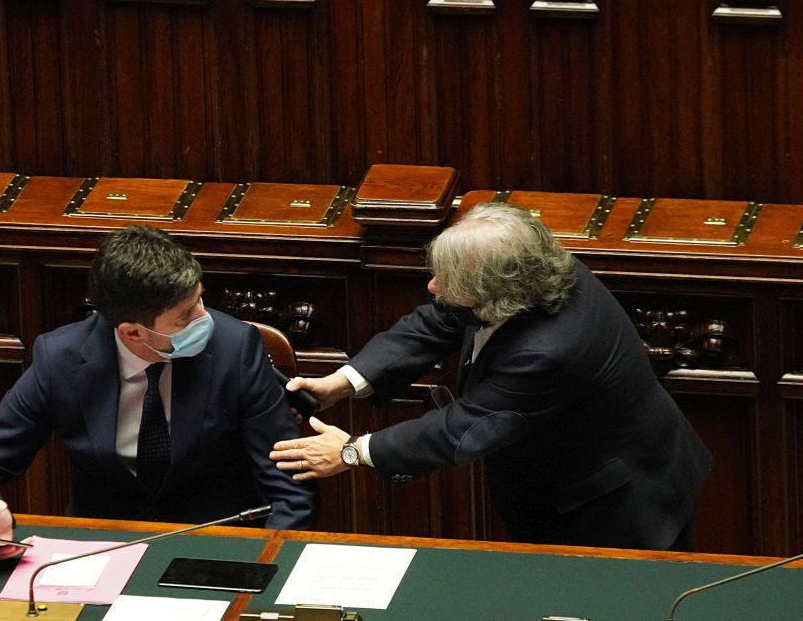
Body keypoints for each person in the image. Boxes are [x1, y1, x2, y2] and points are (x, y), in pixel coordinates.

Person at [271, 202, 713, 550]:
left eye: (446, 280)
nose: (432, 286)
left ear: (493, 293)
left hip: (614, 506)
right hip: (575, 479)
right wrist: (343, 382)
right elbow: (438, 320)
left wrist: (353, 451)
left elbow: (463, 429)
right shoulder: (533, 269)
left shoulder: (549, 352)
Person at [0, 225, 316, 558]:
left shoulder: (235, 348)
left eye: (199, 300)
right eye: (185, 316)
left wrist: (264, 564)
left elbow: (289, 488)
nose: (205, 319)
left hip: (214, 550)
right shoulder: (61, 360)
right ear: (132, 332)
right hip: (100, 553)